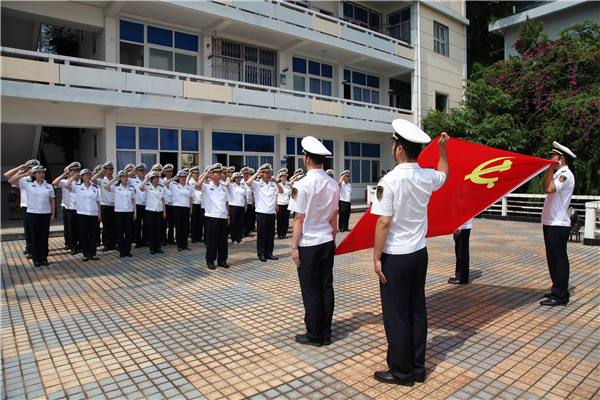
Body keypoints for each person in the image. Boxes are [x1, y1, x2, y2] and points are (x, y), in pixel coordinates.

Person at [371, 119, 449, 386]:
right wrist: (442, 149)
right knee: (416, 310)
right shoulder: (427, 176)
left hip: (396, 256)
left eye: (394, 144)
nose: (392, 148)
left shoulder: (390, 180)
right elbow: (444, 174)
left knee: (396, 314)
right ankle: (417, 367)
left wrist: (376, 258)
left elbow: (383, 223)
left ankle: (401, 371)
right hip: (419, 253)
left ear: (400, 149)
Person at [289, 136, 339, 347]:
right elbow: (334, 216)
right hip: (326, 241)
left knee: (311, 291)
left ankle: (314, 335)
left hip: (308, 244)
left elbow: (299, 218)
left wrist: (294, 246)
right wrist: (333, 239)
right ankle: (326, 332)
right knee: (326, 288)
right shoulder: (333, 183)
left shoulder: (301, 184)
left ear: (307, 159)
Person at [540, 142, 576, 306]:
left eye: (552, 156)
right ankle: (557, 288)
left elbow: (549, 189)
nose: (550, 159)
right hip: (551, 222)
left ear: (561, 158)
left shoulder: (565, 175)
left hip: (558, 223)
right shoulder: (559, 174)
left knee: (559, 260)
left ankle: (561, 295)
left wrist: (550, 169)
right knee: (552, 259)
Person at [8, 165, 55, 267]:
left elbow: (52, 200)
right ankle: (36, 259)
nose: (41, 175)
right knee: (34, 236)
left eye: (42, 173)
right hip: (32, 213)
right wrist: (25, 173)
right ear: (34, 175)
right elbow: (11, 180)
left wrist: (52, 214)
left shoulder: (49, 186)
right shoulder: (28, 185)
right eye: (39, 173)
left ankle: (44, 258)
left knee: (44, 237)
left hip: (45, 213)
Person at [196, 163, 230, 270]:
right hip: (212, 217)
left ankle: (222, 260)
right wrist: (205, 175)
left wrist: (228, 216)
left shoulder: (224, 187)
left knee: (223, 241)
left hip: (223, 217)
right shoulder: (207, 186)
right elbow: (197, 186)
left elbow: (227, 203)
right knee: (212, 241)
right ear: (212, 175)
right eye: (217, 173)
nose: (219, 175)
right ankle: (210, 261)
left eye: (220, 173)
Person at [4, 159, 40, 258]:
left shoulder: (40, 180)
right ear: (28, 169)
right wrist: (20, 169)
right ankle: (30, 247)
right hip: (26, 206)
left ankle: (37, 248)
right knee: (28, 229)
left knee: (37, 230)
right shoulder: (24, 179)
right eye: (31, 168)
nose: (33, 170)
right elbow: (7, 175)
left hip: (37, 208)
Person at [247, 163, 283, 262]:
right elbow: (248, 183)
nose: (268, 174)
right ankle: (261, 253)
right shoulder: (257, 183)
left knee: (270, 234)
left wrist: (276, 182)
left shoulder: (273, 184)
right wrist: (256, 174)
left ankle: (269, 253)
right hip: (261, 212)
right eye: (266, 173)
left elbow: (281, 191)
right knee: (262, 234)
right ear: (262, 173)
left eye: (269, 173)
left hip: (271, 212)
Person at [66, 168, 102, 262]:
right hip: (82, 214)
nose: (88, 176)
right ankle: (85, 254)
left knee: (93, 235)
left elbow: (98, 201)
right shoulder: (78, 187)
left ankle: (93, 253)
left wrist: (99, 213)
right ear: (81, 176)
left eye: (89, 175)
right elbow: (67, 185)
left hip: (93, 213)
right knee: (83, 234)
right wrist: (74, 176)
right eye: (86, 175)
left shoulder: (94, 188)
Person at [104, 170, 136, 258]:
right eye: (123, 177)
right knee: (120, 232)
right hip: (119, 212)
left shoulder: (131, 188)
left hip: (129, 211)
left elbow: (133, 201)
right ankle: (121, 250)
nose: (125, 178)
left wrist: (135, 212)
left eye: (126, 177)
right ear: (120, 178)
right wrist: (114, 179)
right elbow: (106, 186)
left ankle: (127, 250)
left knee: (128, 233)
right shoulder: (116, 187)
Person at [52, 162, 81, 254]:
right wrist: (64, 175)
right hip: (69, 208)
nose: (76, 173)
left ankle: (80, 245)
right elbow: (54, 183)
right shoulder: (65, 182)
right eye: (74, 171)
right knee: (70, 229)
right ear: (70, 172)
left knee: (80, 228)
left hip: (80, 209)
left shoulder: (82, 182)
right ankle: (73, 246)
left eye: (78, 171)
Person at [139, 171, 166, 255]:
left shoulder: (161, 187)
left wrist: (164, 211)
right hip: (150, 210)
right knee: (151, 230)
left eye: (157, 178)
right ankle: (152, 248)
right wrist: (146, 180)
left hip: (159, 210)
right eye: (154, 178)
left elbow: (163, 199)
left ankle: (158, 247)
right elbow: (141, 188)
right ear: (151, 179)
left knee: (158, 230)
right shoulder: (148, 186)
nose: (156, 180)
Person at [92, 161, 117, 252]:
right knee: (106, 226)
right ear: (105, 171)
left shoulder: (116, 180)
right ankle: (106, 244)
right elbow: (92, 179)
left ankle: (114, 243)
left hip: (115, 206)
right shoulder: (101, 181)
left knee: (114, 226)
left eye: (111, 170)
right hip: (105, 206)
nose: (110, 172)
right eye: (108, 170)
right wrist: (100, 172)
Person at [166, 169, 194, 251]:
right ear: (178, 178)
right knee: (178, 226)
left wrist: (191, 208)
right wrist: (173, 179)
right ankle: (179, 245)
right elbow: (165, 183)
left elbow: (191, 198)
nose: (182, 179)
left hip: (186, 207)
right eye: (181, 177)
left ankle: (185, 244)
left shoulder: (189, 187)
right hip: (177, 208)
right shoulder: (174, 186)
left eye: (184, 177)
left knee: (185, 227)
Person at [448, 218, 474, 285]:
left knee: (461, 252)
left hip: (462, 226)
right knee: (461, 251)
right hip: (463, 226)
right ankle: (461, 276)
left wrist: (458, 225)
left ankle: (461, 278)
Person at [130, 163, 148, 248]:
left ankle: (145, 241)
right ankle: (138, 241)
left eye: (143, 170)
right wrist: (133, 171)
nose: (142, 172)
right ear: (137, 172)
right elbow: (124, 176)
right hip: (137, 204)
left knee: (146, 224)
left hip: (146, 204)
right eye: (140, 171)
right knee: (137, 224)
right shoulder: (132, 181)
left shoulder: (148, 180)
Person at [228, 172, 247, 244]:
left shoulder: (243, 185)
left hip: (241, 206)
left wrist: (245, 205)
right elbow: (225, 185)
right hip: (233, 206)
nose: (239, 179)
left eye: (240, 177)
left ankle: (239, 238)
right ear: (234, 178)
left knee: (240, 223)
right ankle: (234, 238)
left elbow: (245, 196)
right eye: (237, 177)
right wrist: (230, 179)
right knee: (233, 222)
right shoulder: (231, 185)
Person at [188, 166, 205, 243]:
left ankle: (199, 236)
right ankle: (193, 237)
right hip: (194, 203)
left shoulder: (200, 181)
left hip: (200, 203)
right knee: (194, 221)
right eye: (195, 173)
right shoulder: (190, 181)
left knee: (200, 221)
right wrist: (188, 176)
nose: (197, 175)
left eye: (198, 173)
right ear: (192, 174)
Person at [276, 168, 292, 239]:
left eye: (285, 177)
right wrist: (276, 205)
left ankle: (284, 233)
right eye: (283, 177)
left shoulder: (288, 185)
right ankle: (280, 234)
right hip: (280, 204)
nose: (284, 178)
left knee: (286, 219)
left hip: (287, 203)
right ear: (280, 178)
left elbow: (289, 195)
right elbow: (276, 196)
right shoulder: (278, 185)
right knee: (280, 219)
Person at [162, 163, 175, 246]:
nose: (170, 173)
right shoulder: (162, 181)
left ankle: (171, 239)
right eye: (168, 171)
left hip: (172, 205)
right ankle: (163, 239)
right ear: (164, 172)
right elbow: (165, 184)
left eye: (171, 171)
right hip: (165, 204)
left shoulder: (174, 182)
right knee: (164, 223)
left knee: (171, 223)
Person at [242, 167, 255, 237]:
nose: (247, 175)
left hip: (249, 202)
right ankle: (243, 232)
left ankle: (248, 231)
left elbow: (252, 193)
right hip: (243, 203)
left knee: (248, 218)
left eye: (248, 174)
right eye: (245, 174)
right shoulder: (241, 182)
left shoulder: (251, 182)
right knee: (243, 218)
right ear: (242, 174)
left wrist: (252, 202)